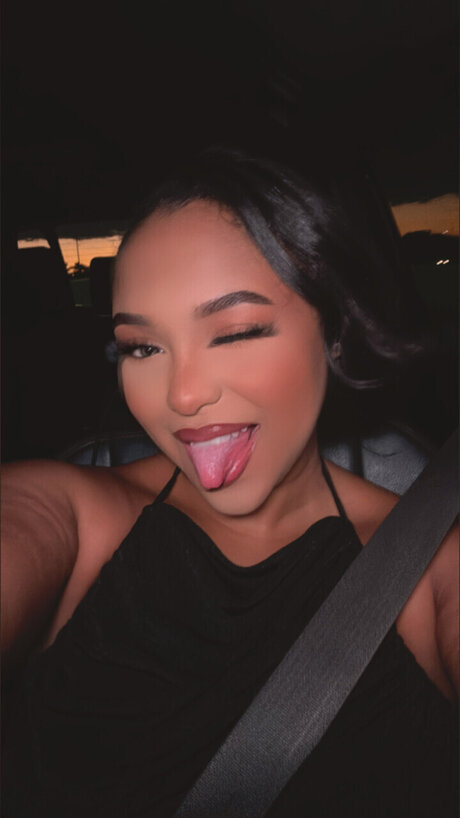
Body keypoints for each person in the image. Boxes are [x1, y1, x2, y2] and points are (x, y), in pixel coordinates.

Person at [2, 146, 458, 816]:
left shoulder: (433, 569)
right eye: (142, 347)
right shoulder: (70, 516)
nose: (181, 395)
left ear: (333, 329)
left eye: (236, 332)